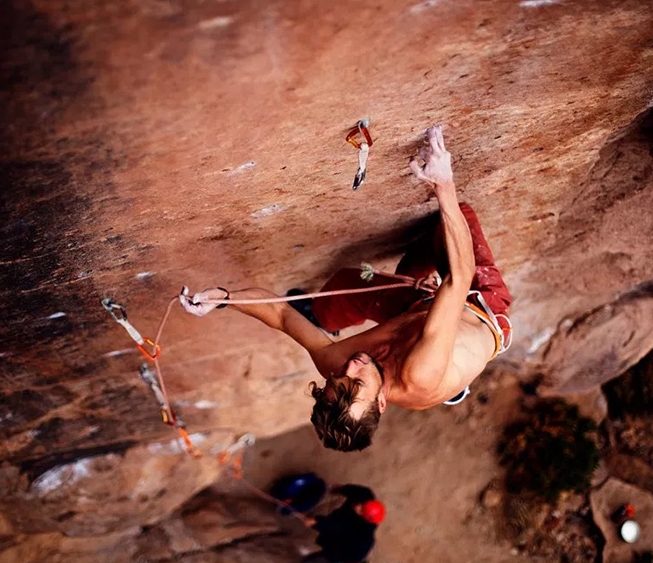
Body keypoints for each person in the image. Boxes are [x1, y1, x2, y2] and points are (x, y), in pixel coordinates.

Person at [180, 125, 513, 452]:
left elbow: (282, 315)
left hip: (416, 314)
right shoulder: (420, 373)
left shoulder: (340, 370)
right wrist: (443, 184)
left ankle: (340, 313)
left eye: (338, 378)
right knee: (456, 218)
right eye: (357, 382)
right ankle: (442, 340)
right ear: (381, 403)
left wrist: (224, 299)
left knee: (345, 284)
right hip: (477, 304)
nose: (351, 365)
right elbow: (459, 276)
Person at [291, 483, 385, 563]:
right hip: (356, 548)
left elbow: (335, 527)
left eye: (361, 510)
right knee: (358, 553)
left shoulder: (358, 529)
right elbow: (353, 490)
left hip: (344, 553)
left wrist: (316, 523)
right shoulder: (365, 494)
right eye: (362, 505)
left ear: (365, 518)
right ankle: (360, 560)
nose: (358, 506)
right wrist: (340, 489)